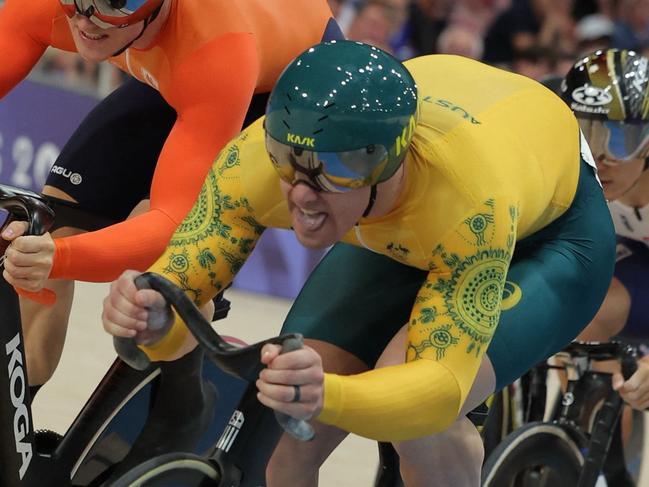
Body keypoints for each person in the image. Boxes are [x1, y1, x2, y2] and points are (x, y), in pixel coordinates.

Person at [102, 40, 615, 486]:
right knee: (284, 432)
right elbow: (177, 301)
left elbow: (437, 389)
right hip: (410, 220)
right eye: (287, 160)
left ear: (386, 162)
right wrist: (145, 316)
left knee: (416, 419)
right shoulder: (258, 161)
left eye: (336, 170)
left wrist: (330, 395)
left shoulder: (466, 200)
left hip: (551, 235)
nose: (302, 193)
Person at [0, 0, 339, 391]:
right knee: (44, 231)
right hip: (180, 62)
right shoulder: (56, 9)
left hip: (289, 90)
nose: (85, 19)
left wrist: (60, 259)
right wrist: (51, 253)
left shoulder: (216, 45)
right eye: (74, 0)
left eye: (113, 2)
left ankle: (177, 407)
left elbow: (172, 225)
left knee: (167, 282)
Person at [561, 48, 649, 411]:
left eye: (618, 140)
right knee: (575, 306)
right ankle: (587, 434)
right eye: (585, 134)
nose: (599, 158)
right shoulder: (564, 164)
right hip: (632, 261)